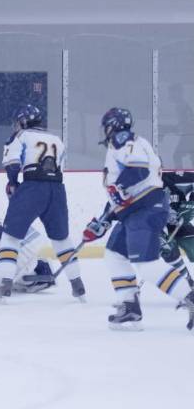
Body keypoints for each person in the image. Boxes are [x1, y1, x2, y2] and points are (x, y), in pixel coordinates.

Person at [82, 108, 194, 331]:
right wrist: (103, 219)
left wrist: (118, 187)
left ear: (113, 125)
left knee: (147, 264)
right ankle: (130, 308)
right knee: (114, 255)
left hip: (145, 209)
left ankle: (189, 297)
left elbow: (139, 170)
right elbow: (121, 195)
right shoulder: (129, 144)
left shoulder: (121, 140)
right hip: (135, 211)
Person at [0, 104, 85, 301]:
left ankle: (6, 283)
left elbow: (12, 163)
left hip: (32, 188)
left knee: (10, 236)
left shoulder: (21, 136)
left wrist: (12, 182)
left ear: (23, 121)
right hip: (57, 190)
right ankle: (77, 284)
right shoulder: (57, 139)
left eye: (17, 122)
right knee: (62, 239)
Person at [159, 170, 194, 288]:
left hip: (180, 222)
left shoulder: (176, 178)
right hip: (156, 227)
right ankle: (189, 286)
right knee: (169, 252)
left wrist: (191, 204)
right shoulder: (139, 185)